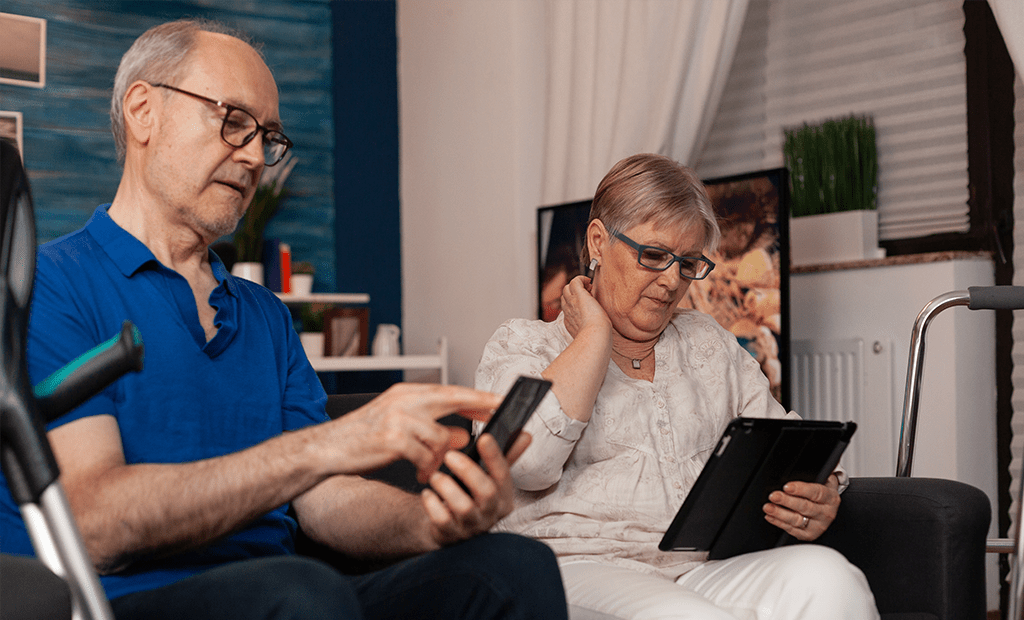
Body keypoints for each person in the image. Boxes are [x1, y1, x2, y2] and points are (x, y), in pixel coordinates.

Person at [0, 19, 567, 620]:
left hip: (290, 594)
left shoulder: (265, 317)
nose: (253, 156)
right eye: (233, 120)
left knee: (512, 567)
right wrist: (327, 444)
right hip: (125, 602)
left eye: (266, 136)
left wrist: (431, 520)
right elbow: (93, 525)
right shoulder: (49, 286)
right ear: (144, 110)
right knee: (298, 592)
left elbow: (322, 500)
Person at [475, 153, 879, 620]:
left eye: (688, 264)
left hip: (699, 568)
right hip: (572, 568)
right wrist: (594, 335)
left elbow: (787, 444)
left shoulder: (708, 342)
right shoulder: (521, 345)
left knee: (830, 580)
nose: (671, 281)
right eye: (653, 256)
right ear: (598, 242)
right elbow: (525, 464)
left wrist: (819, 492)